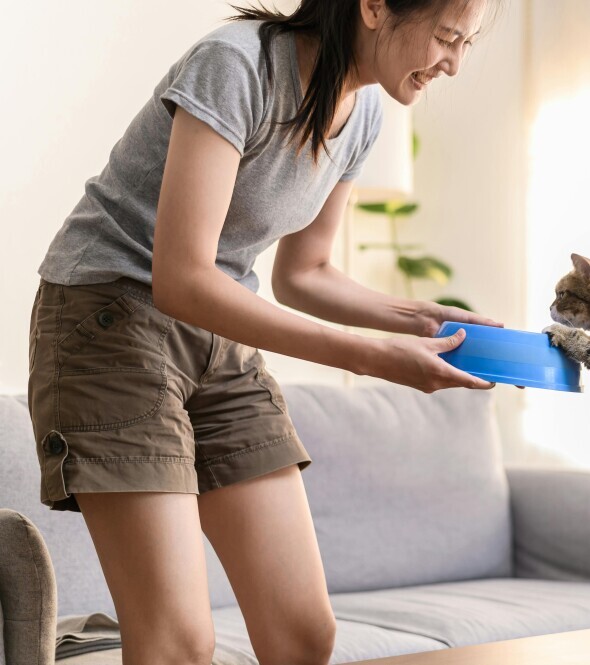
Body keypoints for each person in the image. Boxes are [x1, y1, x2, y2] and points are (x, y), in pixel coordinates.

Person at [26, 0, 497, 663]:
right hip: (107, 319)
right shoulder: (237, 64)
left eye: (467, 44)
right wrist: (370, 355)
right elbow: (182, 276)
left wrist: (421, 320)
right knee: (177, 642)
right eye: (448, 37)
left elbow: (305, 272)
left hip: (215, 336)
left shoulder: (363, 114)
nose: (453, 62)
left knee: (303, 634)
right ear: (372, 6)